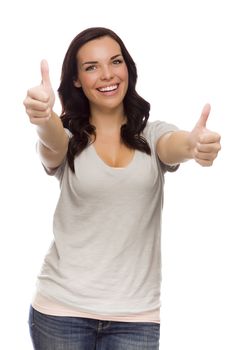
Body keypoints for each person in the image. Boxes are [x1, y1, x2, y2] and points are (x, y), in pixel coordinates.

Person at [23, 27, 221, 350]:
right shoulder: (69, 140)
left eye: (115, 62)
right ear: (76, 80)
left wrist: (195, 144)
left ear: (127, 67)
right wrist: (44, 118)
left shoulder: (153, 136)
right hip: (61, 312)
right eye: (91, 67)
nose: (107, 75)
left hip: (136, 318)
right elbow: (51, 142)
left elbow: (178, 145)